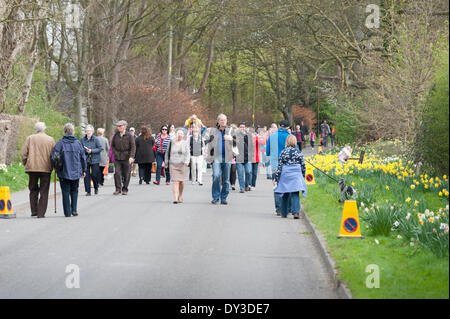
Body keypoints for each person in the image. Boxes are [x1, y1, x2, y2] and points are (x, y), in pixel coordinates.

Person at [21, 122, 56, 218]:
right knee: (44, 191)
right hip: (46, 169)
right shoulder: (50, 140)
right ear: (44, 129)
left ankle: (34, 211)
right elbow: (54, 155)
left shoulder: (30, 138)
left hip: (32, 168)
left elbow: (24, 153)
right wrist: (54, 166)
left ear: (36, 129)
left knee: (33, 189)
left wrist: (25, 163)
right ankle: (41, 213)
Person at [52, 123, 86, 217]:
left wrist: (56, 167)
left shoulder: (60, 143)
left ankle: (67, 212)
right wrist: (84, 170)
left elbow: (54, 156)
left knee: (65, 191)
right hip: (76, 171)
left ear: (65, 132)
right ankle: (74, 209)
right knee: (74, 190)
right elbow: (83, 158)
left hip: (64, 171)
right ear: (73, 132)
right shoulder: (78, 143)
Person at [273, 135, 307, 219]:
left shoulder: (283, 152)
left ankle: (284, 213)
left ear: (287, 142)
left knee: (285, 193)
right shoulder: (298, 152)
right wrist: (303, 176)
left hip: (286, 174)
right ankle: (295, 212)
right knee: (295, 193)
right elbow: (303, 165)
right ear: (295, 142)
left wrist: (276, 178)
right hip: (296, 174)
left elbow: (280, 166)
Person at [206, 113, 236, 205]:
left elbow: (238, 143)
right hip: (216, 157)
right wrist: (209, 158)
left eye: (225, 120)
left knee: (226, 179)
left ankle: (223, 198)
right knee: (216, 175)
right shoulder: (213, 131)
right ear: (218, 121)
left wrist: (231, 139)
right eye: (221, 120)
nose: (223, 121)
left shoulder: (231, 131)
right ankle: (215, 197)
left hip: (227, 157)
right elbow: (210, 145)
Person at [266, 119, 291, 216]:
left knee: (276, 186)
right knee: (288, 186)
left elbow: (267, 152)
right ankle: (288, 208)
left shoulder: (272, 136)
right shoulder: (289, 137)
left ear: (279, 126)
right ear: (288, 127)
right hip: (288, 166)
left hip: (275, 165)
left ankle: (279, 209)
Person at [111, 120, 136, 195]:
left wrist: (131, 157)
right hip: (117, 157)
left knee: (127, 173)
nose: (119, 127)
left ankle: (125, 189)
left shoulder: (129, 136)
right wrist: (115, 153)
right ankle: (118, 189)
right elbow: (112, 145)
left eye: (120, 126)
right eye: (118, 126)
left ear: (124, 126)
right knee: (117, 173)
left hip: (127, 157)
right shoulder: (116, 135)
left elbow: (133, 147)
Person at [165, 128, 190, 203]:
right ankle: (175, 198)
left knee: (181, 182)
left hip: (182, 164)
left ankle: (180, 195)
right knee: (175, 181)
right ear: (176, 134)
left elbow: (188, 153)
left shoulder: (185, 143)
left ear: (183, 135)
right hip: (173, 164)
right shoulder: (171, 142)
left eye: (181, 134)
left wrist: (187, 161)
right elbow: (167, 153)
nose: (180, 135)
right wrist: (166, 162)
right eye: (178, 133)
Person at [80, 124, 103, 196]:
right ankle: (88, 191)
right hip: (86, 159)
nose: (88, 132)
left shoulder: (96, 139)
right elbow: (80, 149)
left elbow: (100, 148)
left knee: (94, 175)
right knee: (86, 175)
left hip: (95, 159)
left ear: (92, 131)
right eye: (87, 131)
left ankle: (96, 187)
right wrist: (85, 150)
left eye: (89, 131)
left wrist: (92, 151)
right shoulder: (82, 140)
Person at [235, 122, 254, 193]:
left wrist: (251, 155)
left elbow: (252, 146)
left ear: (245, 128)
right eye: (241, 127)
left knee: (248, 172)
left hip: (248, 157)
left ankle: (247, 185)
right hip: (239, 157)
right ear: (238, 128)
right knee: (240, 174)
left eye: (243, 127)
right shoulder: (236, 135)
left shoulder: (249, 135)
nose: (242, 128)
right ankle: (242, 188)